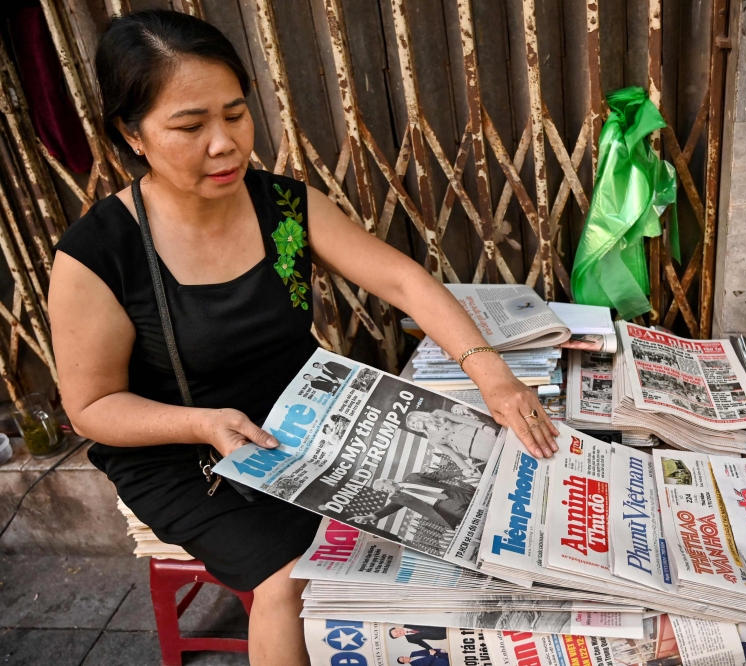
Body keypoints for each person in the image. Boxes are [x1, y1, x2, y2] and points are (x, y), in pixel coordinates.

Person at [47, 11, 558, 665]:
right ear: (131, 132)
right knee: (288, 578)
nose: (225, 143)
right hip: (181, 446)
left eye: (235, 114)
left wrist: (493, 375)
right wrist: (204, 423)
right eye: (190, 125)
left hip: (308, 413)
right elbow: (91, 409)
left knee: (467, 496)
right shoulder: (99, 255)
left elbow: (402, 281)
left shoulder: (280, 206)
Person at [347, 473, 473, 529]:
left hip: (455, 494)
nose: (384, 491)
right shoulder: (397, 498)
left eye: (383, 488)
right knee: (475, 517)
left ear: (388, 481)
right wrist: (370, 516)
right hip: (446, 507)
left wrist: (461, 472)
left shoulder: (412, 477)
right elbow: (388, 509)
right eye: (381, 491)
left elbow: (438, 475)